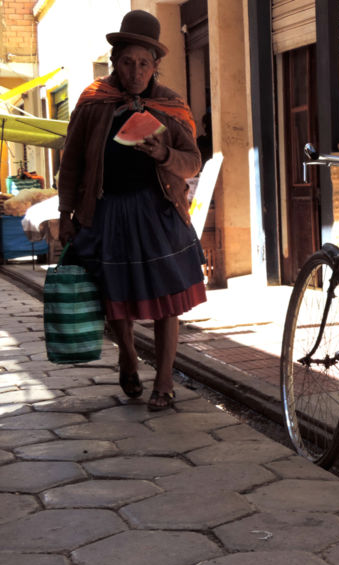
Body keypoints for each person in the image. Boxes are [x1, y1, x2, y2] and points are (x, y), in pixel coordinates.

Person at [57, 10, 206, 411]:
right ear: (115, 62)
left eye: (144, 63)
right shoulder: (93, 104)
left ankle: (164, 379)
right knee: (113, 297)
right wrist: (65, 214)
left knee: (167, 300)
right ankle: (126, 353)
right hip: (106, 213)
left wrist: (165, 154)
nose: (136, 71)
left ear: (156, 65)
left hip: (158, 215)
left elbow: (193, 162)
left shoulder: (170, 106)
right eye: (128, 62)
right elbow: (70, 165)